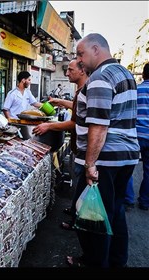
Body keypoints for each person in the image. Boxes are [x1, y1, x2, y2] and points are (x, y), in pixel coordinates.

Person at [67, 33, 140, 268]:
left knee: (93, 216)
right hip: (126, 157)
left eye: (81, 54)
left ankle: (95, 263)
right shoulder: (124, 73)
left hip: (106, 161)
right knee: (115, 212)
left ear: (96, 49)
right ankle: (117, 261)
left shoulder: (100, 77)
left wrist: (90, 165)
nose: (79, 60)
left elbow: (98, 126)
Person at [32, 59, 89, 230]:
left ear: (82, 71)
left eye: (70, 70)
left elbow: (75, 123)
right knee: (79, 185)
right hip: (78, 146)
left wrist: (48, 125)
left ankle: (77, 221)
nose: (66, 73)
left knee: (81, 186)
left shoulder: (85, 89)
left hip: (83, 148)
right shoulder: (80, 90)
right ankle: (74, 212)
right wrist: (60, 101)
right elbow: (77, 107)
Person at [124, 62, 149, 211]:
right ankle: (145, 202)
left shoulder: (136, 90)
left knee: (128, 166)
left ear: (144, 75)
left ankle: (128, 199)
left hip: (136, 133)